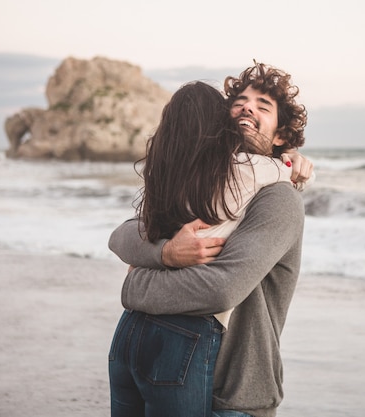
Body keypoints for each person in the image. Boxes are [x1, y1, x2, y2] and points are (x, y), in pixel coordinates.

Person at [108, 72, 312, 417]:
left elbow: (220, 289)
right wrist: (165, 252)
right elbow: (124, 234)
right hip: (177, 362)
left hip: (237, 389)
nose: (247, 109)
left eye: (262, 106)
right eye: (239, 103)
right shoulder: (201, 183)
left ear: (280, 136)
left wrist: (135, 284)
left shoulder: (278, 197)